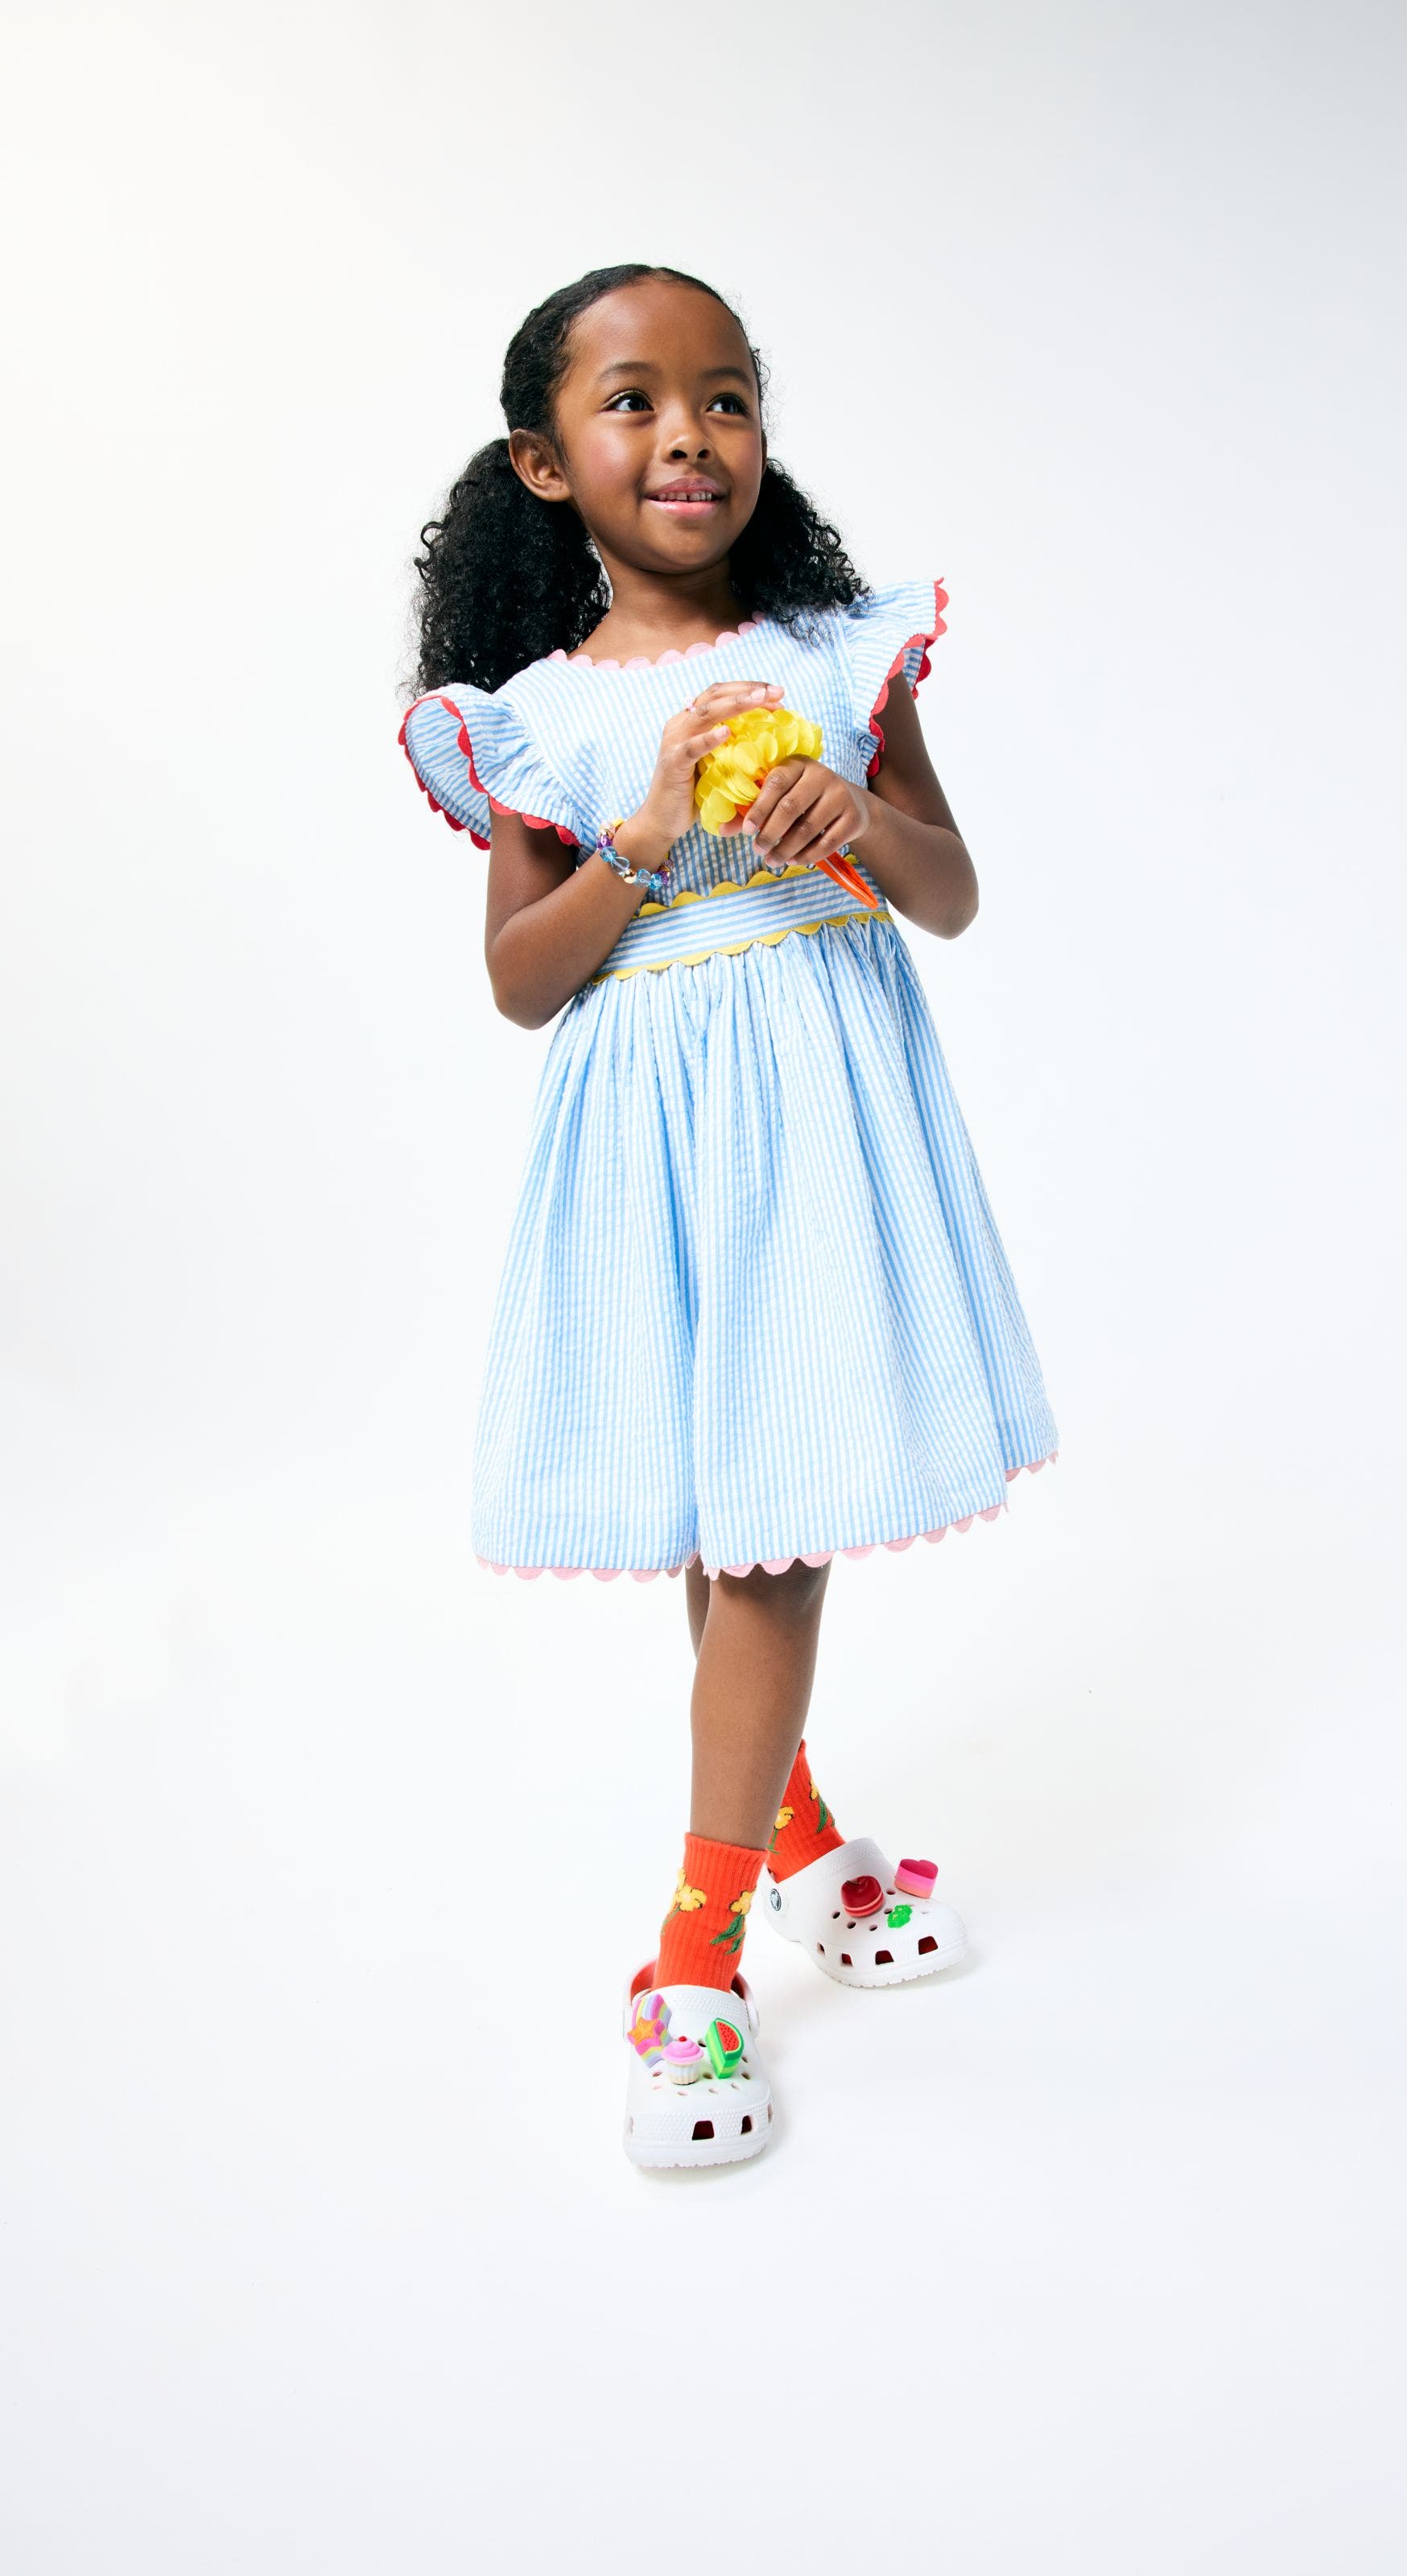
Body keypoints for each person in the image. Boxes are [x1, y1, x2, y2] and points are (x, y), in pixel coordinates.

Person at [399, 263, 1058, 2169]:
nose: (689, 435)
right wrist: (653, 829)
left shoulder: (847, 658)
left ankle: (704, 1937)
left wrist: (857, 823)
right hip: (652, 1152)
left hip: (822, 1124)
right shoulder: (524, 717)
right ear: (544, 461)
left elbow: (951, 896)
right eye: (634, 403)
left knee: (768, 1522)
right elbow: (528, 980)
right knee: (728, 1501)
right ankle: (751, 1903)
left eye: (727, 396)